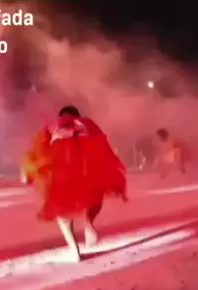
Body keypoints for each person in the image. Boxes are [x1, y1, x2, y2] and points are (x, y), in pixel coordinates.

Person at [22, 105, 127, 261]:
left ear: (61, 117)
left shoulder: (52, 127)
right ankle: (89, 223)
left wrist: (29, 173)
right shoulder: (88, 125)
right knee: (94, 197)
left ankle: (74, 250)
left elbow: (37, 151)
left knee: (63, 215)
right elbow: (104, 148)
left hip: (63, 175)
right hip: (87, 172)